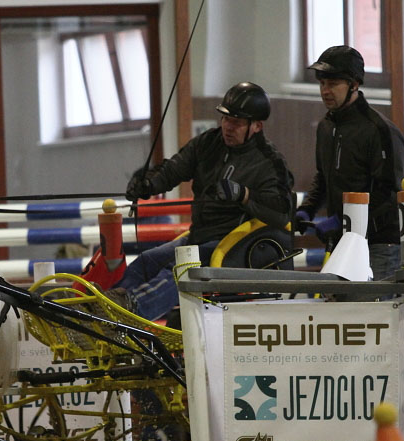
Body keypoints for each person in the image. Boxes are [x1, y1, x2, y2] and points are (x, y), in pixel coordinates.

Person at [117, 82, 294, 321]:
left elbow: (282, 211)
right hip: (199, 237)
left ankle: (128, 313)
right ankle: (109, 304)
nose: (228, 127)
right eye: (225, 119)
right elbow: (173, 169)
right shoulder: (207, 143)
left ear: (257, 126)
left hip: (233, 247)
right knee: (147, 261)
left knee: (182, 271)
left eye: (237, 122)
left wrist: (243, 194)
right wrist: (148, 184)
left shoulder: (270, 162)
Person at [295, 45, 404, 281]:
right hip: (343, 240)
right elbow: (323, 177)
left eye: (333, 84)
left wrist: (345, 220)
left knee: (376, 312)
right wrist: (307, 209)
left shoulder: (380, 130)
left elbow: (387, 193)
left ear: (354, 84)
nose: (325, 91)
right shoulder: (326, 127)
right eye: (322, 83)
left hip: (379, 243)